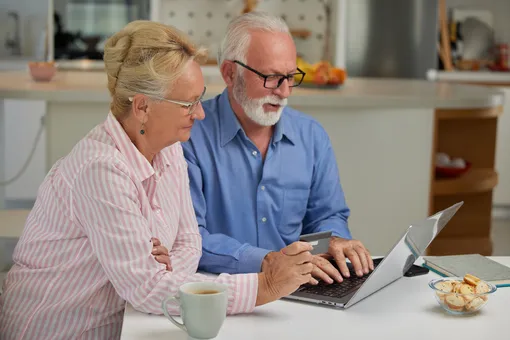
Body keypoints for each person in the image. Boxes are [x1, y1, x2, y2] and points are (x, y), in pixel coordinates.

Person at [0, 21, 315, 339]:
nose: (200, 113)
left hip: (120, 325)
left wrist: (164, 269)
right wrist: (265, 285)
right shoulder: (100, 169)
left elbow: (190, 243)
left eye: (200, 98)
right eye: (187, 104)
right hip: (55, 330)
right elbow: (148, 290)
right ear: (143, 107)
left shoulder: (171, 151)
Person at [182, 12, 374, 285]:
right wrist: (268, 261)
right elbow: (190, 238)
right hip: (220, 294)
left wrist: (331, 241)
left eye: (290, 76)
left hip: (301, 293)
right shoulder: (189, 137)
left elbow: (326, 216)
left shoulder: (311, 136)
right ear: (229, 73)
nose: (284, 92)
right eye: (271, 78)